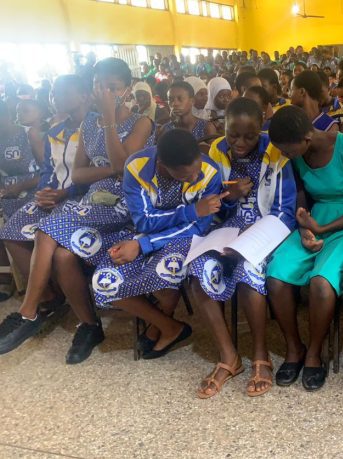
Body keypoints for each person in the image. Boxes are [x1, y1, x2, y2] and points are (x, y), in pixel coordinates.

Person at [0, 57, 154, 362]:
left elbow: (126, 171)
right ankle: (89, 325)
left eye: (113, 87)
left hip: (127, 205)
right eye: (100, 86)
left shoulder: (141, 122)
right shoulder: (89, 124)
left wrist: (110, 122)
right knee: (62, 254)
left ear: (127, 90)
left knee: (50, 226)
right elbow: (79, 173)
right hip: (91, 201)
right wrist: (110, 168)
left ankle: (28, 312)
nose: (105, 92)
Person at [189, 98, 296, 398]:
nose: (240, 142)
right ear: (222, 127)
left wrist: (251, 235)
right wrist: (230, 197)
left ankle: (260, 355)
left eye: (249, 136)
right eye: (232, 134)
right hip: (225, 230)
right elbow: (214, 210)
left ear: (261, 126)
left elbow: (285, 210)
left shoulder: (275, 153)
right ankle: (228, 357)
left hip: (267, 230)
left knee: (250, 268)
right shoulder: (216, 152)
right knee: (201, 270)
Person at [266, 106, 343, 391]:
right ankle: (294, 348)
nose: (285, 155)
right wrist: (304, 229)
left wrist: (323, 230)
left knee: (321, 283)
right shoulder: (296, 155)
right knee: (276, 276)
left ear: (306, 137)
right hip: (316, 221)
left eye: (288, 150)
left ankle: (315, 351)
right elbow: (302, 199)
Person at [90, 128, 224, 361]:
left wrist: (144, 245)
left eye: (196, 171)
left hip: (181, 239)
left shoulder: (210, 172)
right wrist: (191, 211)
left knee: (164, 273)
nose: (194, 179)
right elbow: (143, 220)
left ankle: (161, 327)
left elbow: (199, 228)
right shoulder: (137, 166)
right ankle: (169, 326)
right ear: (162, 163)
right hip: (141, 233)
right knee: (103, 282)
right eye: (184, 176)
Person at [0, 75, 91, 312]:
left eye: (63, 93)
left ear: (83, 96)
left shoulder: (95, 128)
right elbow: (48, 169)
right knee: (10, 233)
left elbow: (96, 173)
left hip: (81, 196)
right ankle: (49, 296)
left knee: (53, 241)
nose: (55, 98)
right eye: (53, 93)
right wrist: (43, 192)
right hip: (53, 195)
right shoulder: (55, 131)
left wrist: (64, 193)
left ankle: (44, 300)